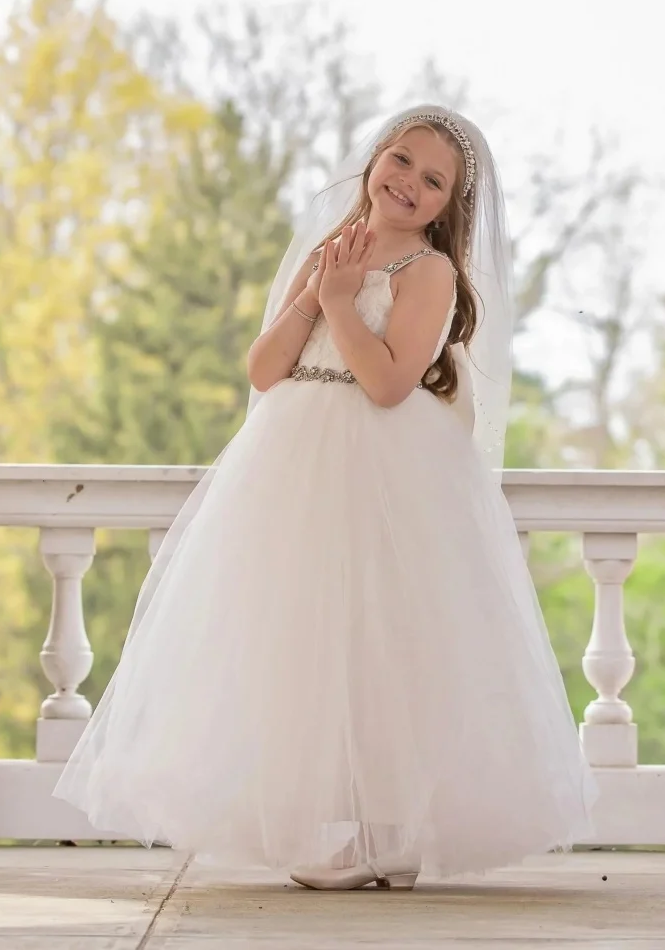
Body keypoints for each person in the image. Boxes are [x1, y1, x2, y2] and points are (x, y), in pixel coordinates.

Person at [54, 105, 596, 891]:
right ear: (377, 158)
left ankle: (389, 830)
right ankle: (319, 824)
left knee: (383, 635)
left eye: (432, 180)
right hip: (292, 450)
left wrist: (344, 299)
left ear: (448, 206)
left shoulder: (431, 272)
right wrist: (318, 289)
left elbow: (385, 382)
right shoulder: (329, 250)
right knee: (296, 629)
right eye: (402, 161)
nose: (408, 183)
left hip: (383, 463)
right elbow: (265, 368)